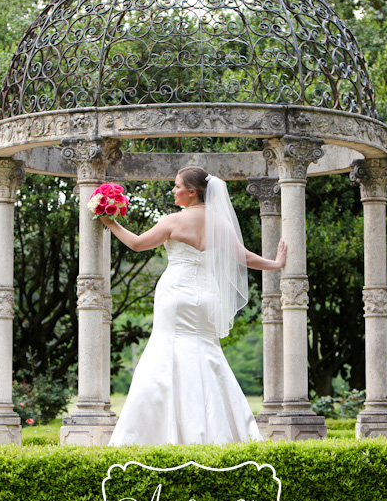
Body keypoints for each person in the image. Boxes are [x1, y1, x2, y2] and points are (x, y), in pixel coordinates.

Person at [100, 166, 287, 446]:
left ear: (192, 191)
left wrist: (109, 221)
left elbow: (137, 244)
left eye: (177, 186)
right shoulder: (219, 222)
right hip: (207, 296)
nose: (173, 191)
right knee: (206, 352)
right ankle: (224, 431)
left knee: (166, 350)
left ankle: (155, 433)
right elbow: (243, 256)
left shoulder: (174, 221)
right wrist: (276, 263)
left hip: (175, 294)